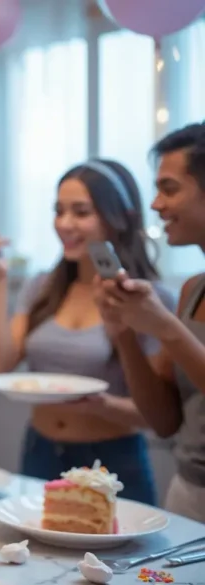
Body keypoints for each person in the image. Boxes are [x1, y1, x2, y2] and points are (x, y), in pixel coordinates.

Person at [0, 159, 173, 505]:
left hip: (111, 461)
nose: (65, 224)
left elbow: (158, 417)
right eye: (59, 210)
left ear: (120, 217)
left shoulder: (151, 299)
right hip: (39, 451)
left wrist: (101, 404)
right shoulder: (42, 287)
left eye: (81, 212)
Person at [93, 122, 205, 520]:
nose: (156, 204)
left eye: (170, 189)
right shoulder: (193, 291)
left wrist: (165, 329)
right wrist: (122, 331)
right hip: (188, 492)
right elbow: (163, 420)